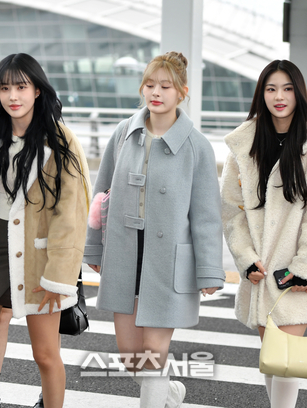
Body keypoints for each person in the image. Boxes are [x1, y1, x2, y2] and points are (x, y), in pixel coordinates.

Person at [0, 53, 91, 408]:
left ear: (37, 90)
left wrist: (59, 276)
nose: (13, 96)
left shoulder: (61, 141)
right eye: (5, 88)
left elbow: (71, 214)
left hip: (38, 260)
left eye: (21, 87)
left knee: (46, 355)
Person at [84, 51, 225, 408]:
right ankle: (170, 393)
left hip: (168, 260)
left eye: (165, 86)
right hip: (124, 255)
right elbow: (101, 196)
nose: (156, 92)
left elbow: (207, 215)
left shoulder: (197, 146)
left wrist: (210, 270)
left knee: (154, 352)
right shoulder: (124, 133)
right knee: (131, 356)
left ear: (182, 92)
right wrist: (94, 248)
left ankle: (157, 396)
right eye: (150, 84)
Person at [221, 59, 307, 408]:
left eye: (287, 89)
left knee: (287, 360)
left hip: (294, 272)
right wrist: (246, 259)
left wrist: (304, 269)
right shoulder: (245, 144)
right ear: (261, 93)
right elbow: (231, 209)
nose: (279, 96)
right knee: (273, 359)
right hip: (261, 271)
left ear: (298, 93)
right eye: (271, 88)